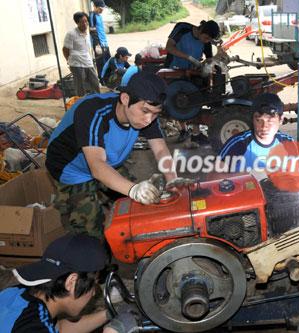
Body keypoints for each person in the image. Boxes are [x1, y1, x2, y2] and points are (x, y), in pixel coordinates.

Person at [45, 72, 177, 239]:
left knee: (136, 205)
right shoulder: (94, 111)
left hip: (106, 161)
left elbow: (160, 150)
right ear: (125, 99)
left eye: (155, 113)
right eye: (145, 111)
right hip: (70, 168)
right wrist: (133, 189)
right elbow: (97, 167)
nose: (149, 120)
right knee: (90, 229)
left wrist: (173, 181)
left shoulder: (144, 114)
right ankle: (94, 257)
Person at [0, 234, 138, 333]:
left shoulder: (17, 293)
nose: (94, 292)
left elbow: (60, 328)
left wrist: (110, 314)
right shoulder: (31, 327)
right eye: (94, 285)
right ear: (72, 282)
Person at [165, 20, 221, 145]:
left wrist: (211, 64)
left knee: (194, 100)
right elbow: (169, 47)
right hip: (173, 69)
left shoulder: (206, 41)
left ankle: (196, 133)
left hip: (191, 72)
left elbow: (208, 59)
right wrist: (188, 57)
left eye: (209, 40)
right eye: (206, 38)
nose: (206, 41)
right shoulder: (182, 28)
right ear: (200, 30)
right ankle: (184, 130)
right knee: (176, 101)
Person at [219, 93, 294, 173]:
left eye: (270, 121)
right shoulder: (238, 144)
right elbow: (213, 176)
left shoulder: (288, 143)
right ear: (252, 119)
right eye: (259, 120)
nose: (264, 126)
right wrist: (249, 176)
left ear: (281, 120)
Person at [63, 12, 100, 97]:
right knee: (80, 87)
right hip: (76, 63)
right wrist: (69, 61)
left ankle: (97, 101)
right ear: (77, 23)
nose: (85, 24)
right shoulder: (71, 34)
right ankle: (81, 103)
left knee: (95, 83)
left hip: (87, 61)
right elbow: (65, 49)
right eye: (82, 22)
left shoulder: (87, 33)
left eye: (86, 21)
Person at [89, 0, 111, 80]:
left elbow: (101, 30)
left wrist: (105, 42)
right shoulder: (92, 16)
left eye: (102, 8)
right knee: (100, 63)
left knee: (108, 60)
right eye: (100, 8)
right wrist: (97, 44)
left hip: (104, 42)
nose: (102, 10)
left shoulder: (99, 16)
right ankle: (102, 79)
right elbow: (92, 31)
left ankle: (108, 77)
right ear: (95, 6)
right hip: (98, 43)